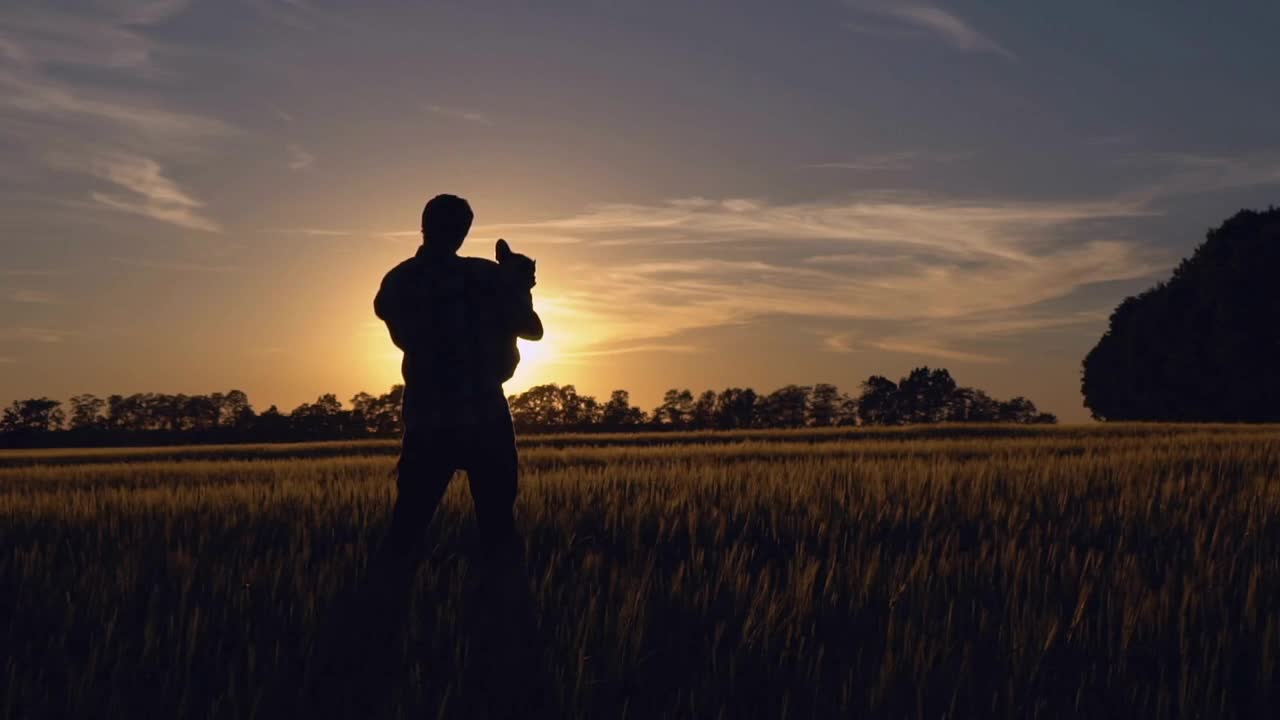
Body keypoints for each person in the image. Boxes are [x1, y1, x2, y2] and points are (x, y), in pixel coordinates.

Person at [373, 194, 543, 565]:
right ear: (463, 231)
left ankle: (380, 609)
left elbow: (399, 326)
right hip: (484, 414)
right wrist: (517, 285)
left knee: (407, 529)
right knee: (498, 529)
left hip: (430, 417)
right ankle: (503, 610)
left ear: (424, 226)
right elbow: (532, 329)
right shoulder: (483, 275)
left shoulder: (399, 281)